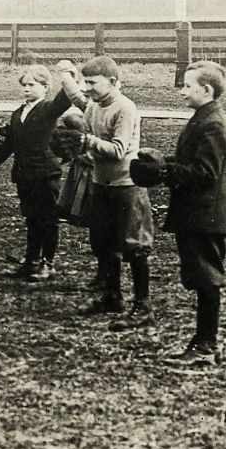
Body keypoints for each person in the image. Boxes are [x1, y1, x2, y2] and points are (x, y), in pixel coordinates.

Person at [59, 55, 154, 328]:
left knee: (134, 247)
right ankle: (112, 296)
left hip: (127, 186)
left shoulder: (125, 108)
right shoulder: (93, 107)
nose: (86, 88)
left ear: (112, 82)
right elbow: (89, 143)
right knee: (103, 243)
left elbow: (118, 149)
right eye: (84, 82)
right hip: (100, 183)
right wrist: (77, 147)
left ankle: (142, 305)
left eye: (92, 82)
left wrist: (85, 141)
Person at [0, 61, 79, 280]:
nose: (27, 89)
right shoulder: (18, 113)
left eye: (32, 85)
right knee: (31, 218)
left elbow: (66, 97)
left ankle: (48, 263)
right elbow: (10, 143)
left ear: (45, 87)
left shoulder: (48, 108)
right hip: (24, 175)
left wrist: (70, 74)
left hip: (45, 173)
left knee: (48, 218)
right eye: (24, 85)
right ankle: (31, 259)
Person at [157, 62, 226, 366]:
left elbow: (206, 173)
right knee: (200, 275)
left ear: (206, 89)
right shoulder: (204, 118)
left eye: (188, 86)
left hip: (205, 214)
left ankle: (206, 344)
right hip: (198, 212)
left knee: (206, 278)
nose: (182, 91)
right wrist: (165, 162)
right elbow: (195, 160)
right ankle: (203, 341)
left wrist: (166, 171)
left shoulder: (213, 123)